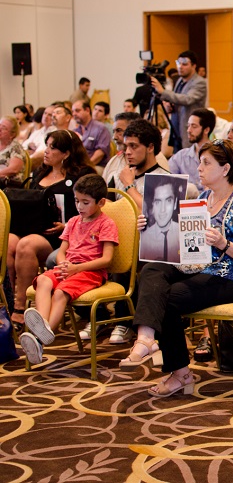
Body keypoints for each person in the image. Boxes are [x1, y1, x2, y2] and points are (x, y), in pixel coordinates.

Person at [119, 140, 233, 397]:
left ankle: (180, 373)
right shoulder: (201, 199)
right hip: (199, 267)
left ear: (225, 169)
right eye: (200, 161)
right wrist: (151, 226)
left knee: (168, 298)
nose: (199, 168)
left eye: (206, 162)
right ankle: (145, 336)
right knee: (152, 270)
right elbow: (183, 242)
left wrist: (224, 243)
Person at [19, 175, 118, 364]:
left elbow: (107, 259)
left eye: (85, 202)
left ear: (101, 202)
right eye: (76, 201)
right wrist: (64, 264)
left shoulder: (106, 224)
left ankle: (40, 338)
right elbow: (61, 252)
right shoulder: (73, 221)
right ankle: (43, 326)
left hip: (90, 272)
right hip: (70, 268)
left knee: (60, 293)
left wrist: (76, 268)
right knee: (42, 280)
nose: (79, 206)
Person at [7, 130, 96, 330]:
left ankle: (20, 308)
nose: (46, 151)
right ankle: (9, 303)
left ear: (66, 153)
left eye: (52, 147)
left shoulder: (82, 175)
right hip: (35, 227)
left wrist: (68, 225)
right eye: (46, 146)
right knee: (9, 242)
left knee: (25, 245)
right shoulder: (40, 172)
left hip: (64, 236)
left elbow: (96, 210)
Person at [150, 50, 207, 151]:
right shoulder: (179, 80)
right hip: (176, 130)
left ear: (194, 66)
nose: (180, 66)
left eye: (185, 64)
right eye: (178, 63)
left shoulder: (199, 82)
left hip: (189, 131)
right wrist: (170, 105)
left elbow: (187, 99)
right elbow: (177, 100)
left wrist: (163, 92)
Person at [168, 108, 215, 193]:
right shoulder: (181, 156)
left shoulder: (218, 156)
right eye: (188, 126)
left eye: (194, 126)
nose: (189, 130)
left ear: (206, 130)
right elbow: (168, 181)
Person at [139, 178, 182, 263]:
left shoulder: (183, 234)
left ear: (174, 203)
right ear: (153, 206)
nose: (163, 210)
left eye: (168, 201)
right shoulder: (145, 237)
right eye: (158, 202)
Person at [72, 100, 111, 168]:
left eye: (77, 111)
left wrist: (85, 167)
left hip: (96, 166)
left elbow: (100, 153)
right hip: (78, 166)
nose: (74, 114)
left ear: (87, 110)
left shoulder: (100, 128)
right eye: (73, 111)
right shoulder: (75, 131)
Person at [0, 116, 25, 181]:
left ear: (12, 134)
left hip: (9, 185)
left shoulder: (15, 147)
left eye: (3, 128)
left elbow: (13, 169)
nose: (0, 129)